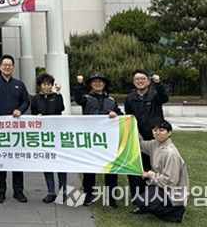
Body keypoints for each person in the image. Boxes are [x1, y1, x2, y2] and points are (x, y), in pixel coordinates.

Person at [0, 54, 30, 204]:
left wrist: (20, 110)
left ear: (13, 67)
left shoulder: (19, 84)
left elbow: (26, 101)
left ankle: (18, 192)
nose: (7, 67)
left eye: (9, 65)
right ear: (0, 67)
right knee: (1, 161)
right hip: (0, 129)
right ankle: (0, 192)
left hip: (16, 128)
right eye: (4, 65)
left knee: (17, 161)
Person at [74, 72, 123, 207]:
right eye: (95, 81)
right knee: (89, 170)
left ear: (104, 84)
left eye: (100, 81)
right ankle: (88, 195)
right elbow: (78, 98)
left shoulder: (111, 100)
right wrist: (79, 84)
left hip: (108, 141)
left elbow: (121, 115)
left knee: (111, 170)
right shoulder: (86, 98)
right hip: (91, 140)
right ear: (90, 84)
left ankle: (111, 198)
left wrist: (116, 114)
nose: (98, 84)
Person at [124, 70, 170, 200]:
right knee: (137, 168)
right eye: (137, 79)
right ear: (133, 82)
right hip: (138, 138)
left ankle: (157, 197)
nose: (140, 81)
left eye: (143, 79)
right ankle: (139, 198)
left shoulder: (155, 94)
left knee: (157, 167)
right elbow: (129, 117)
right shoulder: (129, 98)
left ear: (149, 81)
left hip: (155, 137)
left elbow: (165, 98)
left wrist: (158, 83)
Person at [133, 119, 189, 223]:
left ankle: (176, 212)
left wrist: (149, 174)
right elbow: (140, 144)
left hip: (172, 190)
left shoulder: (171, 153)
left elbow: (169, 181)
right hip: (160, 184)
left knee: (143, 203)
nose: (158, 133)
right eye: (155, 130)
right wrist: (133, 126)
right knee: (139, 196)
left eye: (162, 130)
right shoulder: (155, 144)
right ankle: (150, 202)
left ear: (169, 133)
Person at [30, 72, 66, 204]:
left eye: (49, 84)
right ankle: (51, 192)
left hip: (57, 134)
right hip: (43, 136)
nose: (46, 86)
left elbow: (61, 108)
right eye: (44, 84)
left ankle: (63, 191)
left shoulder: (56, 97)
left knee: (61, 163)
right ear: (40, 85)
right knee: (47, 163)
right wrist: (37, 116)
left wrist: (58, 93)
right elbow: (33, 113)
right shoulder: (35, 98)